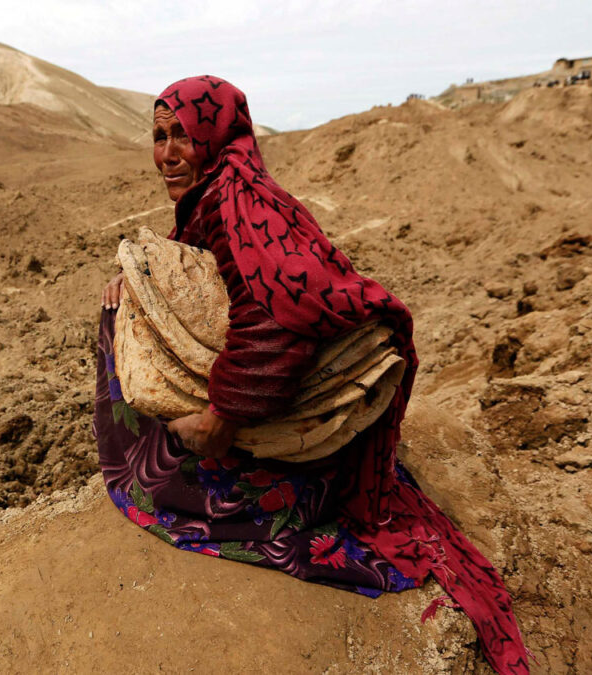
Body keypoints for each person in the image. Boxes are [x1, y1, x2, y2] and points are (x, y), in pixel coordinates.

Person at [94, 75, 530, 675]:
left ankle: (204, 486)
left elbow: (276, 318)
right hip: (281, 396)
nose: (168, 153)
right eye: (159, 136)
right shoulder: (222, 192)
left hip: (281, 407)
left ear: (217, 137)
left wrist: (223, 417)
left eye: (184, 137)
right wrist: (136, 283)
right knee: (123, 305)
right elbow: (197, 279)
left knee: (114, 327)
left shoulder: (234, 204)